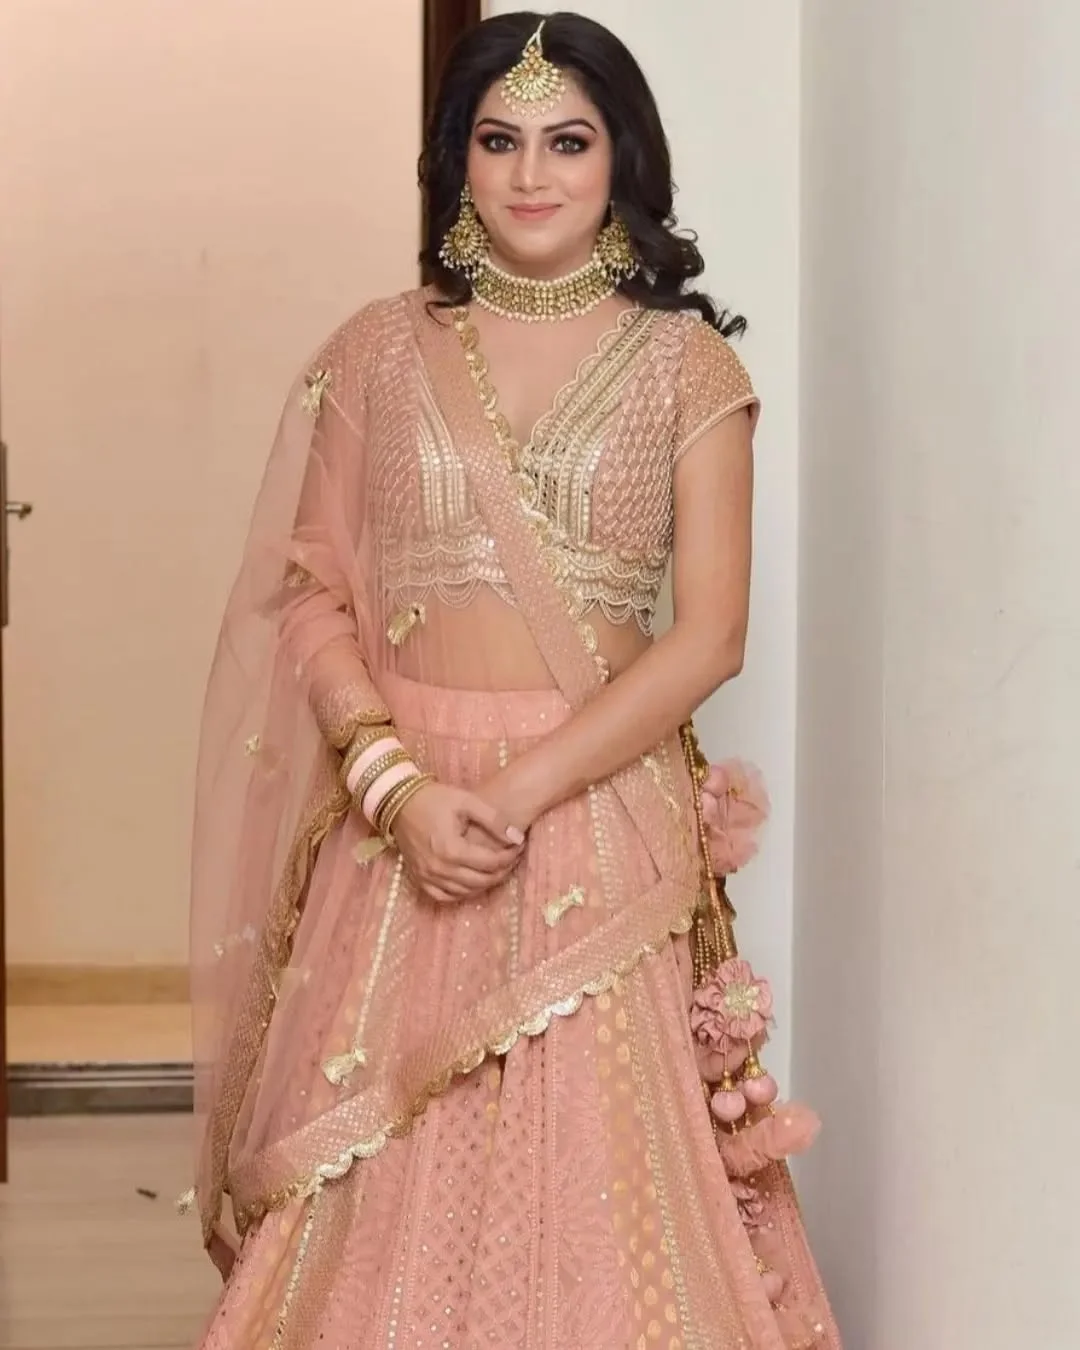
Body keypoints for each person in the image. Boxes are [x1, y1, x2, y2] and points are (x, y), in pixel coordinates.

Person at [189, 11, 841, 1348]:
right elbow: (313, 591)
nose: (531, 174)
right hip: (403, 824)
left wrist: (512, 793)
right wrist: (400, 789)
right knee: (382, 1178)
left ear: (623, 160)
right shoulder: (375, 353)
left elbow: (709, 635)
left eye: (568, 141)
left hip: (591, 815)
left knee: (599, 1175)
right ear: (458, 160)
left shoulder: (689, 367)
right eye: (499, 141)